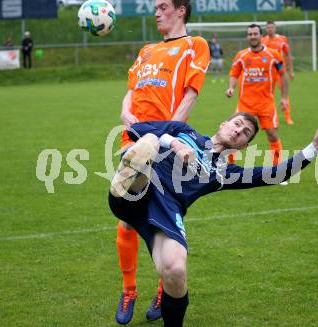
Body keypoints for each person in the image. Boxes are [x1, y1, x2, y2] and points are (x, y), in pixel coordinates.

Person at [108, 112, 318, 327]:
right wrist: (175, 144)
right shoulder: (184, 131)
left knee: (176, 269)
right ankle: (132, 180)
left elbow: (276, 174)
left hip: (167, 211)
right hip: (138, 193)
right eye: (237, 124)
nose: (239, 131)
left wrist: (315, 148)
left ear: (243, 146)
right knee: (149, 140)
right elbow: (136, 128)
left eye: (245, 133)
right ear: (224, 124)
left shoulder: (222, 174)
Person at [115, 0, 210, 324]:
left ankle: (162, 289)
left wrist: (168, 136)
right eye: (155, 6)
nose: (156, 11)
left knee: (162, 217)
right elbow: (130, 90)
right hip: (133, 140)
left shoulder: (194, 46)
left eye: (163, 6)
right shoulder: (146, 50)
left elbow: (190, 94)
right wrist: (126, 112)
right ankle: (129, 290)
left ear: (181, 10)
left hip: (164, 144)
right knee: (127, 218)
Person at [226, 24, 288, 168]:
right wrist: (230, 88)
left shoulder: (273, 55)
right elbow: (234, 74)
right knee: (233, 133)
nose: (253, 36)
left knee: (272, 134)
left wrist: (284, 97)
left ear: (261, 36)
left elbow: (283, 75)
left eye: (255, 34)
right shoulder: (241, 56)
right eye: (250, 34)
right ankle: (228, 166)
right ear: (247, 37)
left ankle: (277, 170)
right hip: (245, 104)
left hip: (266, 103)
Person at [261, 20, 294, 125]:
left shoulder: (282, 39)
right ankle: (268, 117)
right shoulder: (262, 40)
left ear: (275, 28)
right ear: (266, 29)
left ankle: (288, 117)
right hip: (267, 73)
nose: (270, 29)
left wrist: (291, 71)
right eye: (268, 27)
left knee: (284, 93)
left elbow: (288, 55)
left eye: (272, 27)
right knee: (267, 95)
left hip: (280, 71)